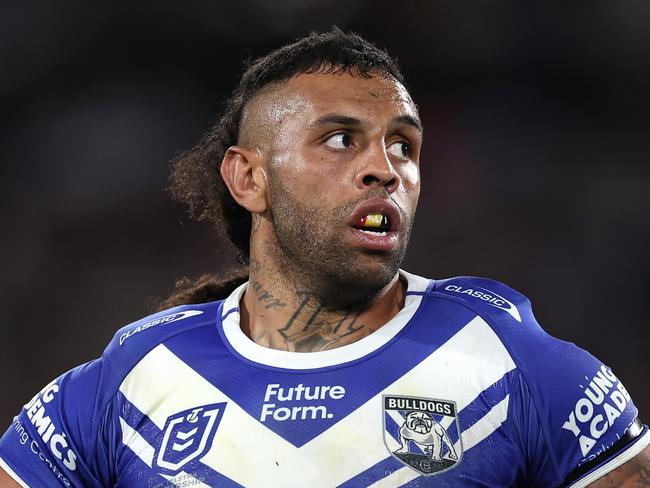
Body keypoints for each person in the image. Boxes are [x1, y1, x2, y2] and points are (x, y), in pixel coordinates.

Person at [0, 29, 647, 488]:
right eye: (341, 139)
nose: (385, 169)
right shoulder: (134, 377)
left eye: (404, 146)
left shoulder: (507, 359)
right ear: (247, 179)